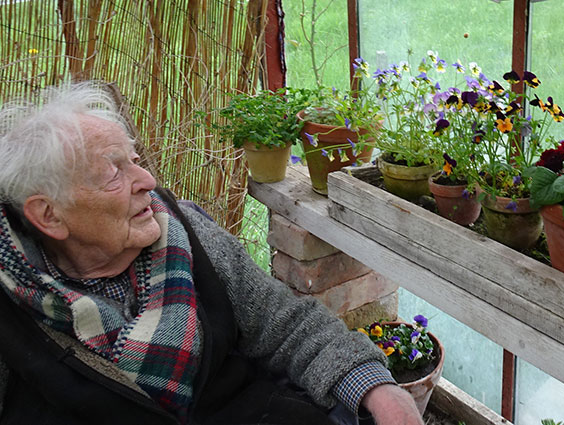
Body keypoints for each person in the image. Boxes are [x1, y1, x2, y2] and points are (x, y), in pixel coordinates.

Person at [0, 82, 424, 425]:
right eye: (114, 174)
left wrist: (379, 390)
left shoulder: (182, 230)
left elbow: (286, 325)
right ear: (49, 216)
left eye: (134, 159)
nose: (147, 180)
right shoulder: (13, 309)